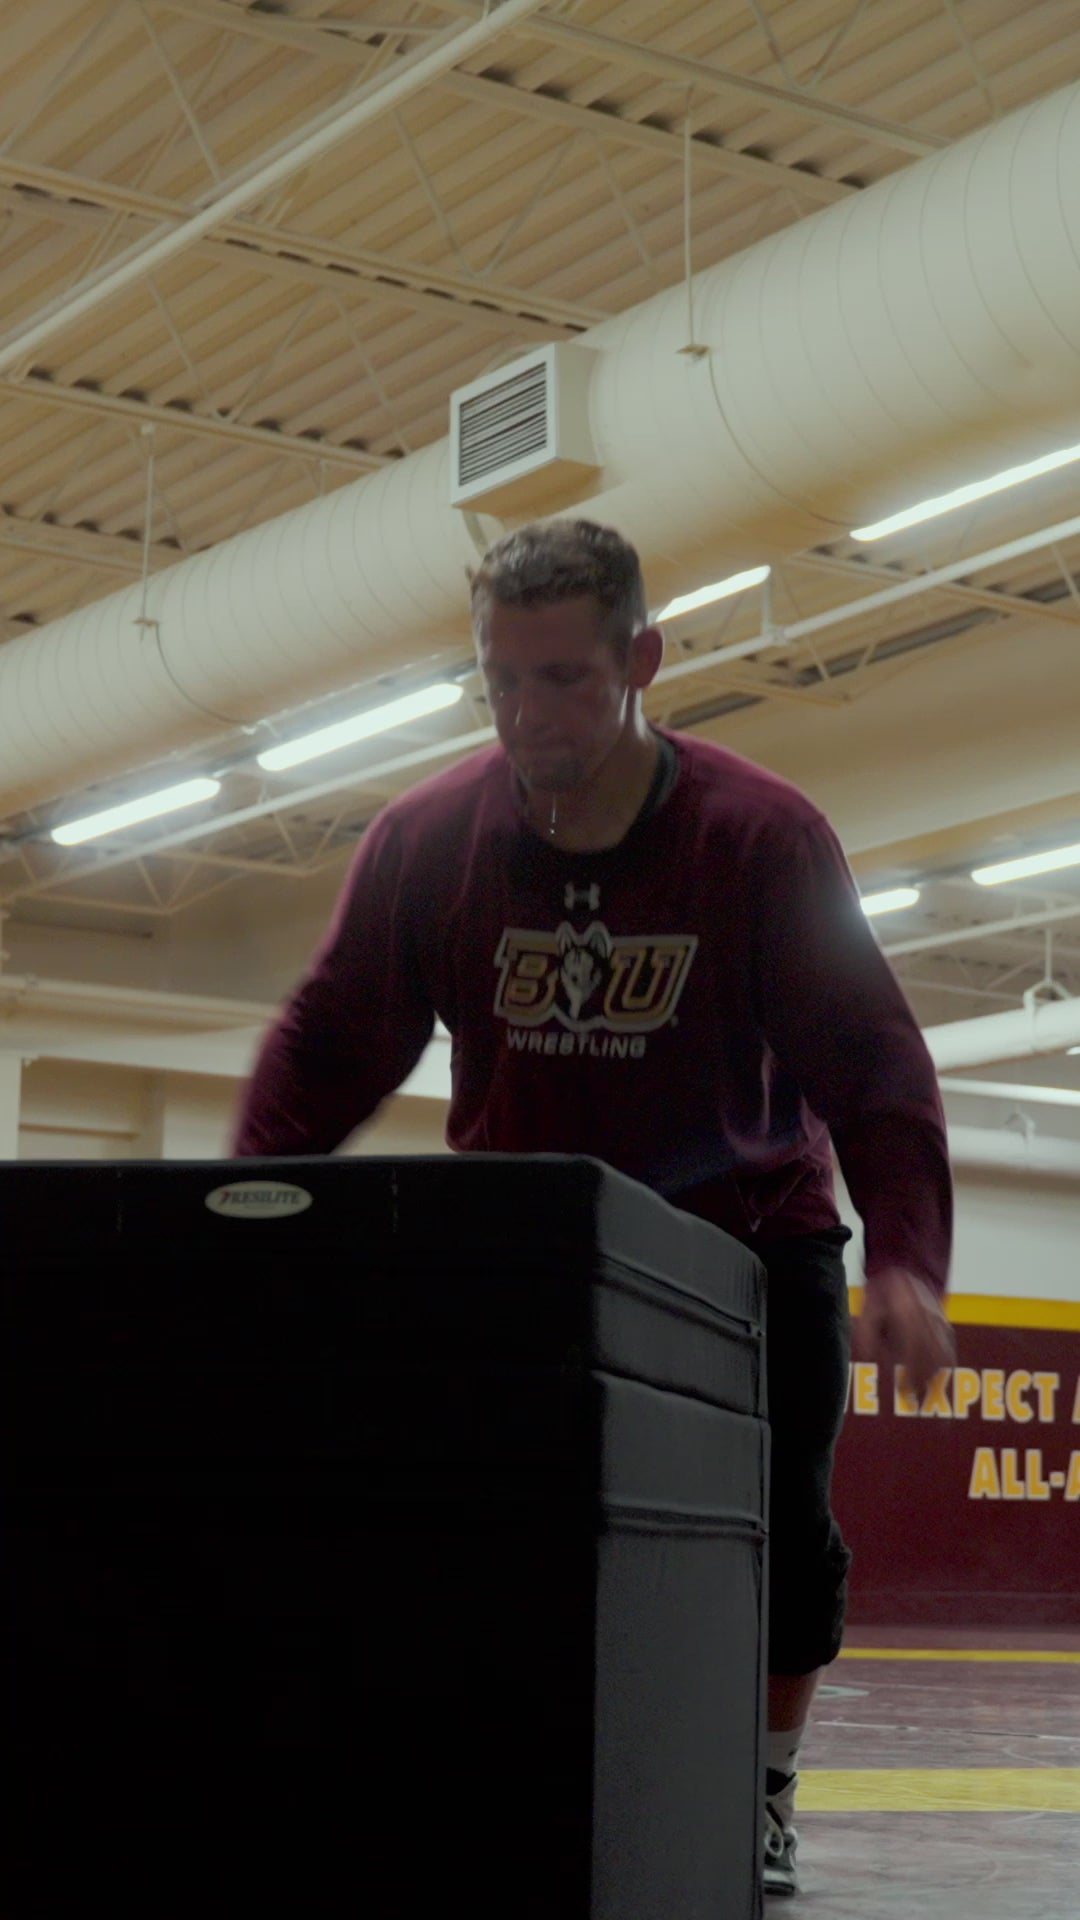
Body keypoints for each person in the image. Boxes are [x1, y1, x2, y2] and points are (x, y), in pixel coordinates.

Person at [233, 517, 955, 1899]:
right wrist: (251, 1199)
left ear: (642, 661)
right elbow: (331, 1042)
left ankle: (761, 1788)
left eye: (563, 679)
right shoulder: (431, 843)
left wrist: (908, 1262)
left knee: (785, 1535)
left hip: (752, 1242)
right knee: (496, 1519)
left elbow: (872, 1066)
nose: (528, 714)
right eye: (502, 680)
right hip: (533, 1243)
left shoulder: (760, 842)